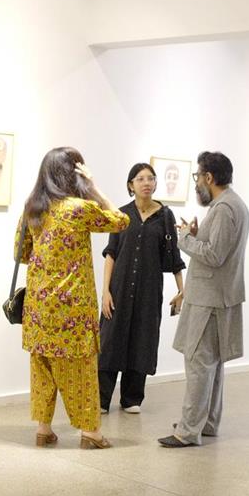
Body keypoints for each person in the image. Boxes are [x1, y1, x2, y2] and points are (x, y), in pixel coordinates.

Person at [17, 147, 129, 449]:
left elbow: (21, 253)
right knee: (81, 371)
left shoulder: (33, 207)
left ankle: (43, 430)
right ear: (72, 173)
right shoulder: (78, 208)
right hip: (72, 309)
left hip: (38, 307)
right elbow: (121, 221)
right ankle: (91, 434)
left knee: (42, 369)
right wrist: (93, 187)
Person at [159, 151, 249, 448]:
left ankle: (187, 431)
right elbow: (217, 247)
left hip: (209, 299)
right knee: (212, 364)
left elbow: (214, 255)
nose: (196, 182)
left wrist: (185, 238)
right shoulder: (234, 204)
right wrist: (198, 235)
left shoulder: (224, 208)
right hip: (220, 296)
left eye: (198, 176)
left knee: (198, 362)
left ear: (209, 177)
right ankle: (206, 423)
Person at [99, 162, 186, 414]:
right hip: (119, 288)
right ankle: (101, 398)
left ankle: (131, 398)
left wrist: (182, 291)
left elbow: (174, 257)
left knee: (142, 339)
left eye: (150, 178)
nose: (146, 183)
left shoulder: (166, 216)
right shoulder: (122, 214)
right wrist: (105, 291)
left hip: (148, 290)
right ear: (131, 185)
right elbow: (111, 253)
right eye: (140, 179)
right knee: (110, 340)